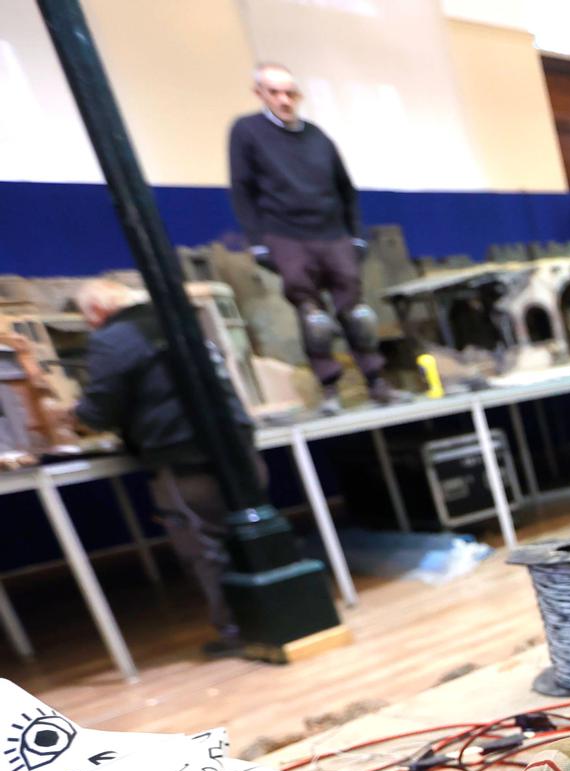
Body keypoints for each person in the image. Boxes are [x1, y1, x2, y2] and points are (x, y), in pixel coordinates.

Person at [67, 280, 257, 658]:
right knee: (250, 531)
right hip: (237, 442)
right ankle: (277, 613)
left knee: (204, 546)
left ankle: (239, 632)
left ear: (96, 313)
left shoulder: (113, 338)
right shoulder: (181, 321)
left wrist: (72, 416)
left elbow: (99, 410)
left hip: (181, 454)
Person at [227, 61, 392, 411]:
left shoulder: (317, 137)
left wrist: (356, 236)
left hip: (333, 233)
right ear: (260, 94)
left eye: (290, 93)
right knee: (313, 316)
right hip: (286, 234)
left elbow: (346, 189)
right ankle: (330, 388)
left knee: (357, 312)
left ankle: (376, 381)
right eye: (274, 92)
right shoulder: (246, 131)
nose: (284, 100)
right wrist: (257, 241)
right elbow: (242, 190)